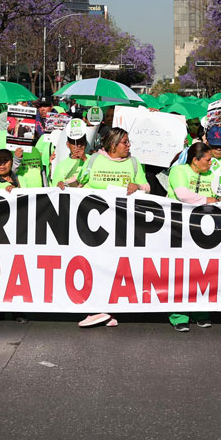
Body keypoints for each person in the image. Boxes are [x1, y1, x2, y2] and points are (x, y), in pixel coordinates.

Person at [75, 127, 149, 329]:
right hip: (93, 223)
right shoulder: (94, 160)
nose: (129, 145)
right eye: (125, 142)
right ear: (113, 145)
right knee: (94, 264)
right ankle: (96, 309)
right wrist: (64, 185)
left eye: (128, 141)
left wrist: (137, 186)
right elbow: (79, 184)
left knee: (114, 266)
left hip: (121, 225)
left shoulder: (134, 163)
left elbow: (146, 187)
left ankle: (106, 309)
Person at [164, 143, 221, 332]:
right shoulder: (179, 171)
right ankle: (179, 315)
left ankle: (200, 312)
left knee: (203, 272)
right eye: (207, 159)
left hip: (204, 231)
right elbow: (183, 195)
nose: (211, 163)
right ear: (195, 160)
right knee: (180, 274)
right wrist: (207, 200)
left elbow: (219, 194)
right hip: (179, 229)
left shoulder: (210, 174)